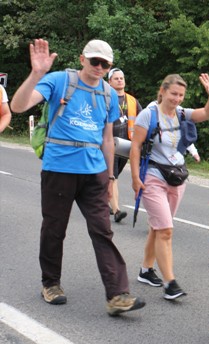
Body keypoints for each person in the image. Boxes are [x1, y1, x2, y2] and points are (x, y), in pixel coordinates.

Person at [10, 39, 145, 315]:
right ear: (82, 58)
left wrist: (109, 178)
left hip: (94, 173)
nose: (98, 67)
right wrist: (36, 74)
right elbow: (18, 106)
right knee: (54, 228)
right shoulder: (59, 80)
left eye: (104, 64)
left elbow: (108, 139)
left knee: (103, 231)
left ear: (109, 67)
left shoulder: (108, 94)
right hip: (59, 169)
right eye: (94, 61)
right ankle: (51, 283)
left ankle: (117, 295)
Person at [129, 73, 209, 300]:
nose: (177, 99)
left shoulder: (181, 113)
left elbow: (207, 113)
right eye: (173, 94)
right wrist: (135, 178)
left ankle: (146, 270)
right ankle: (170, 283)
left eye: (181, 95)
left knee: (158, 227)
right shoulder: (147, 116)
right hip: (153, 176)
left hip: (177, 178)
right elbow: (136, 147)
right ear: (162, 90)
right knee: (166, 230)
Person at [107, 68, 142, 223]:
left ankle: (103, 200)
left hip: (127, 144)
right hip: (109, 143)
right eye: (116, 78)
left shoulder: (132, 101)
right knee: (112, 177)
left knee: (114, 176)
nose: (120, 80)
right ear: (110, 82)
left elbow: (143, 120)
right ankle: (116, 210)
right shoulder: (105, 98)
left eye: (122, 78)